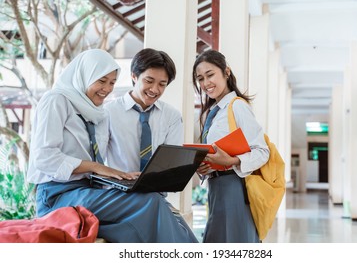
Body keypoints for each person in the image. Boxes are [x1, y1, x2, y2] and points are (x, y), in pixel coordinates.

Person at [27, 48, 197, 243]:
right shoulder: (56, 100)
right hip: (58, 195)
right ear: (85, 75)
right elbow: (44, 157)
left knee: (145, 223)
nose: (107, 89)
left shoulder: (95, 112)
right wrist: (98, 168)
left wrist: (122, 179)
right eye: (101, 81)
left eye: (112, 83)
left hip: (87, 191)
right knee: (153, 202)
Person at [104, 47, 198, 242]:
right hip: (119, 197)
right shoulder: (109, 113)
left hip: (155, 196)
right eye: (149, 81)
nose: (155, 90)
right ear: (134, 76)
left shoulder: (171, 116)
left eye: (162, 84)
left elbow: (171, 165)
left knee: (183, 235)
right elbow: (96, 162)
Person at [192, 49, 270, 243]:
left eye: (210, 75)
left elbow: (262, 151)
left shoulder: (238, 107)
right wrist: (204, 167)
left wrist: (231, 160)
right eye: (200, 79)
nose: (206, 83)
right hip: (216, 186)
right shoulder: (214, 112)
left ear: (226, 72)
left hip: (234, 187)